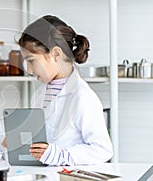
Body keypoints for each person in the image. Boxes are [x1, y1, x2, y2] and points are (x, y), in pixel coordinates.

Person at [18, 15, 113, 166]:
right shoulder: (39, 95)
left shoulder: (83, 97)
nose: (28, 69)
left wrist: (61, 155)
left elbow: (102, 149)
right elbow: (45, 142)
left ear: (56, 54)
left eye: (31, 60)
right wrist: (19, 143)